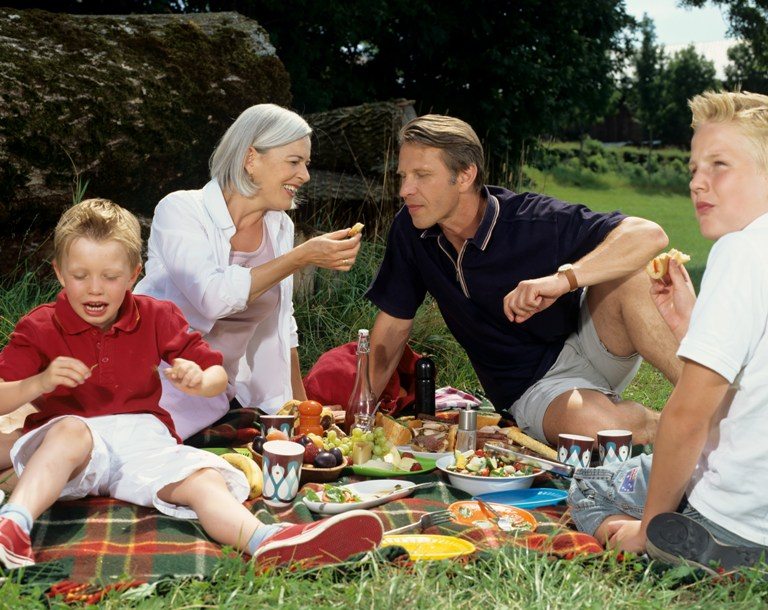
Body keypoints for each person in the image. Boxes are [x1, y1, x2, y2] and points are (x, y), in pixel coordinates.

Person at [0, 198, 383, 570]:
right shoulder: (40, 326)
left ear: (134, 275)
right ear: (59, 273)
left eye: (111, 277)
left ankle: (267, 540)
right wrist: (40, 382)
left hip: (143, 439)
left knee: (204, 478)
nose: (95, 289)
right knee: (72, 430)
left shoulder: (155, 315)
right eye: (80, 276)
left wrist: (200, 381)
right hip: (68, 453)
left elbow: (217, 376)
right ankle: (14, 525)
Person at [366, 114, 682, 445]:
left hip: (594, 341)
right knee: (598, 428)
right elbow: (394, 325)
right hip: (535, 385)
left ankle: (705, 402)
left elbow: (649, 234)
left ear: (464, 175)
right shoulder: (411, 230)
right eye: (403, 176)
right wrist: (365, 410)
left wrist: (564, 280)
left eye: (421, 175)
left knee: (637, 275)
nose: (405, 190)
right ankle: (667, 424)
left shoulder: (532, 220)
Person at [569, 91, 768, 574]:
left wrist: (647, 528)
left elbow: (688, 416)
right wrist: (690, 325)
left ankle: (671, 544)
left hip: (736, 521)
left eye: (719, 164)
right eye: (693, 169)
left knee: (590, 483)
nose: (698, 183)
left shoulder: (741, 250)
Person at [135, 104, 362, 438]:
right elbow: (212, 298)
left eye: (306, 164)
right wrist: (301, 257)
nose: (305, 176)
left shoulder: (279, 227)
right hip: (154, 379)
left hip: (215, 392)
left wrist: (303, 412)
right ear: (251, 159)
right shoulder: (181, 210)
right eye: (294, 162)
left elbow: (284, 325)